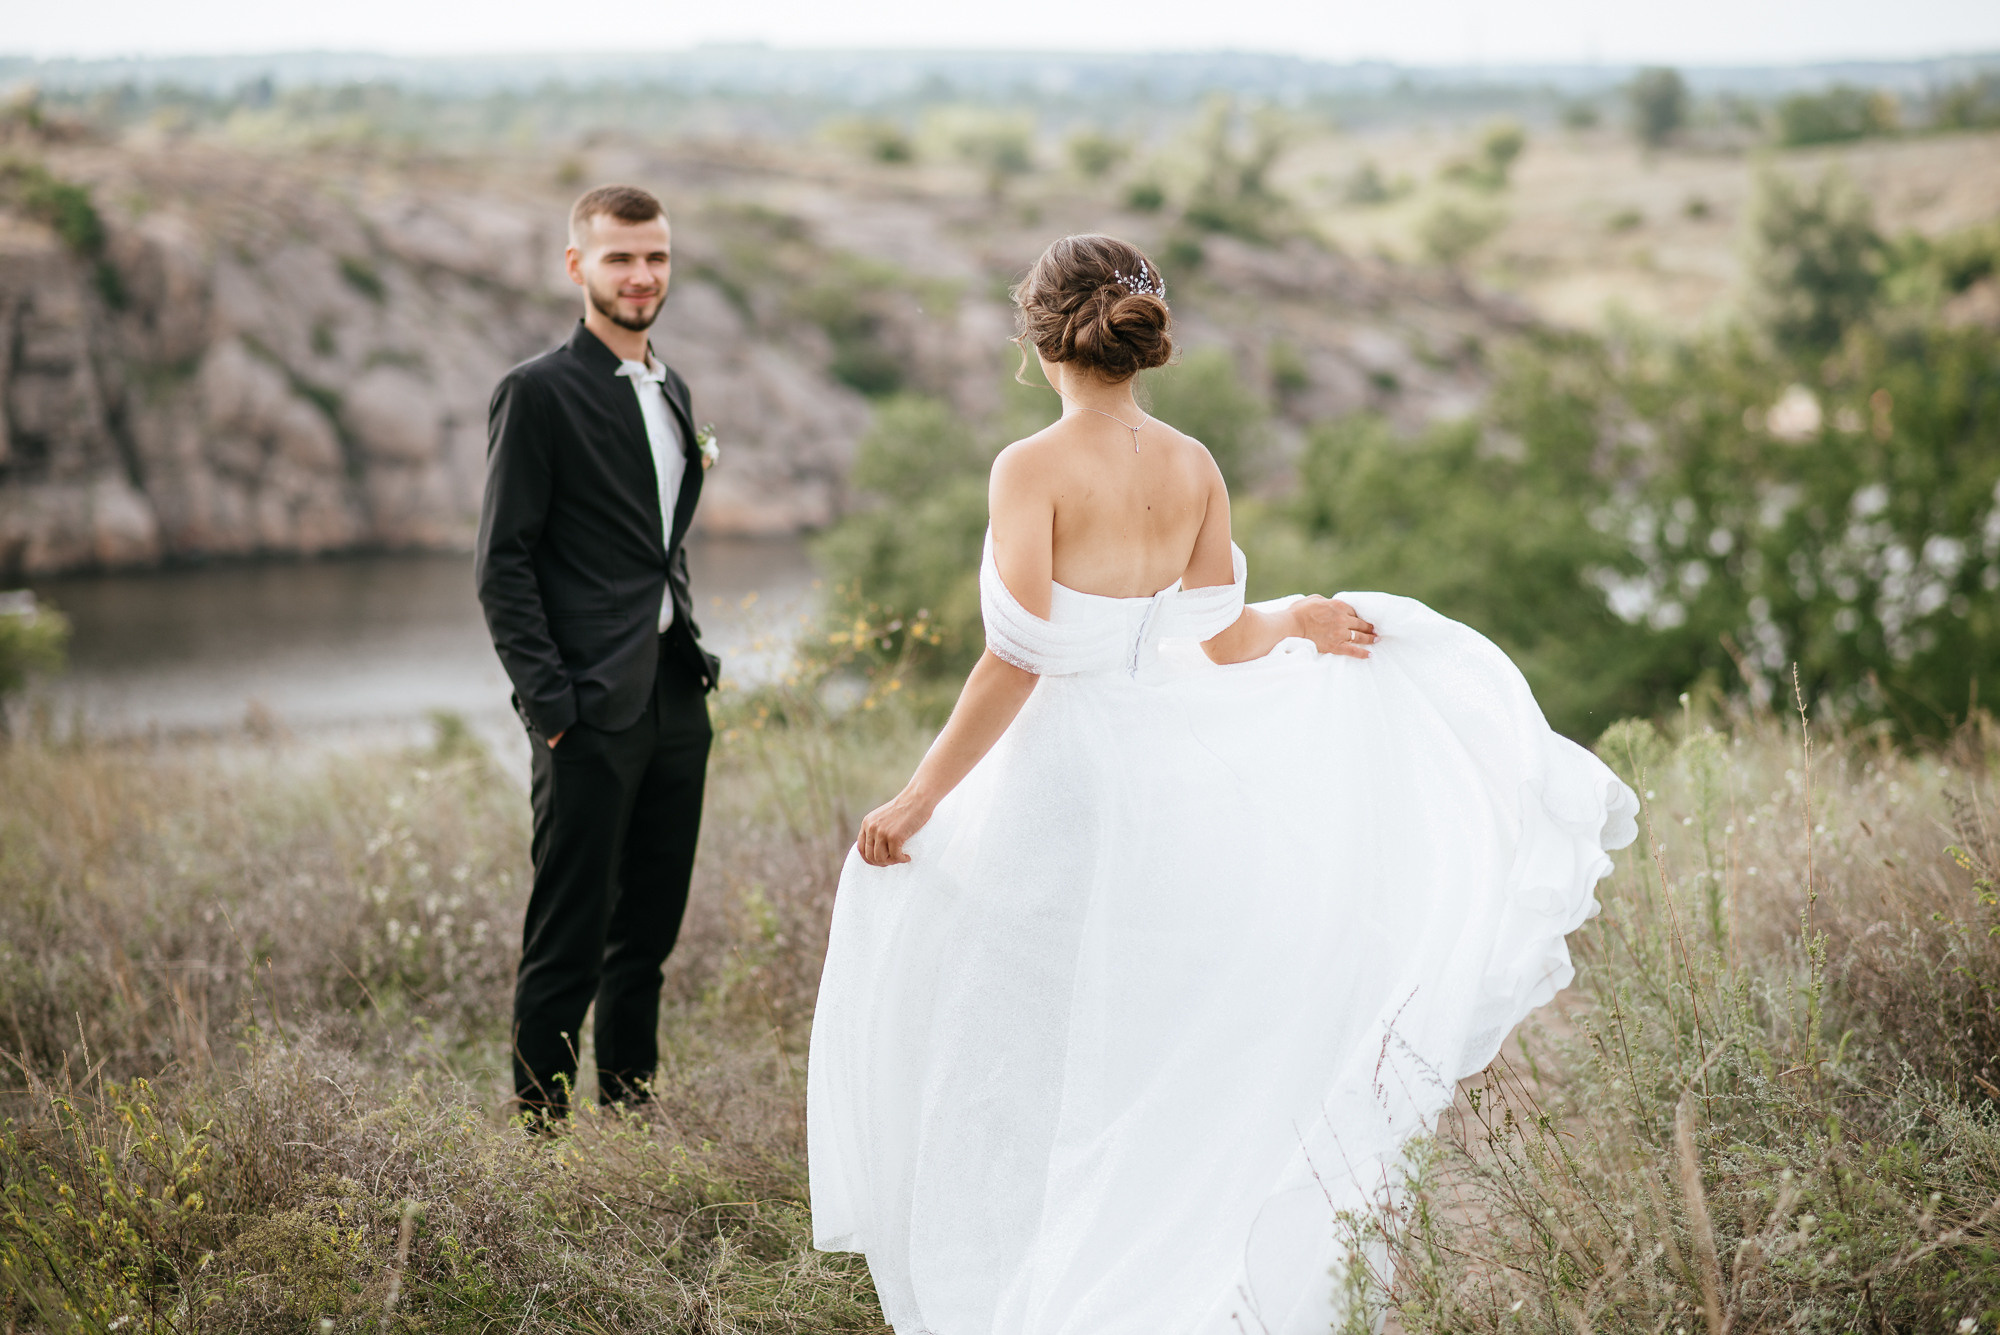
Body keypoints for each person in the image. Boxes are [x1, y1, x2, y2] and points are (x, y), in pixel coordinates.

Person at [806, 234, 1640, 1332]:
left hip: (1061, 777)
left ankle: (1033, 1275)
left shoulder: (1028, 467)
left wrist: (920, 799)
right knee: (1145, 1027)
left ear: (1040, 336)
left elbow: (1017, 658)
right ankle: (1158, 1259)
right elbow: (1219, 638)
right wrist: (1294, 617)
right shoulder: (1193, 463)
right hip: (1167, 777)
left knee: (1006, 1028)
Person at [476, 184, 719, 1122]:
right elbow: (502, 565)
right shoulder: (536, 392)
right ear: (578, 265)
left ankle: (629, 1118)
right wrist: (552, 709)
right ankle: (541, 1136)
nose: (641, 275)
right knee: (567, 937)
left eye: (656, 256)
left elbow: (657, 543)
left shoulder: (671, 387)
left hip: (673, 694)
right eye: (621, 257)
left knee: (647, 933)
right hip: (584, 709)